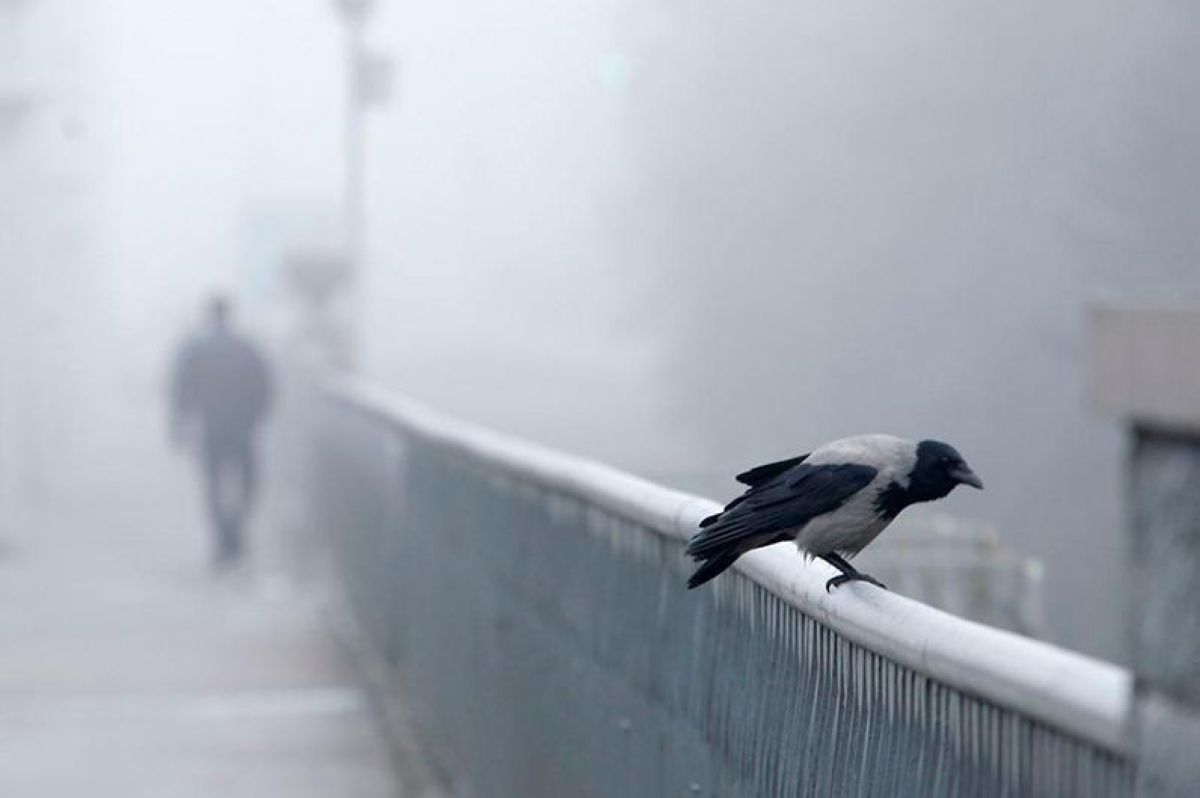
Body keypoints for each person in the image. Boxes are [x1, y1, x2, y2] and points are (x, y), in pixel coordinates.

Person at [169, 295, 273, 569]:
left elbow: (182, 389)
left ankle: (223, 539)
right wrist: (256, 417)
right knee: (248, 483)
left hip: (212, 428)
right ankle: (235, 530)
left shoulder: (197, 350)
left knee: (214, 485)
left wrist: (179, 424)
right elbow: (264, 386)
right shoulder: (246, 349)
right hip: (242, 428)